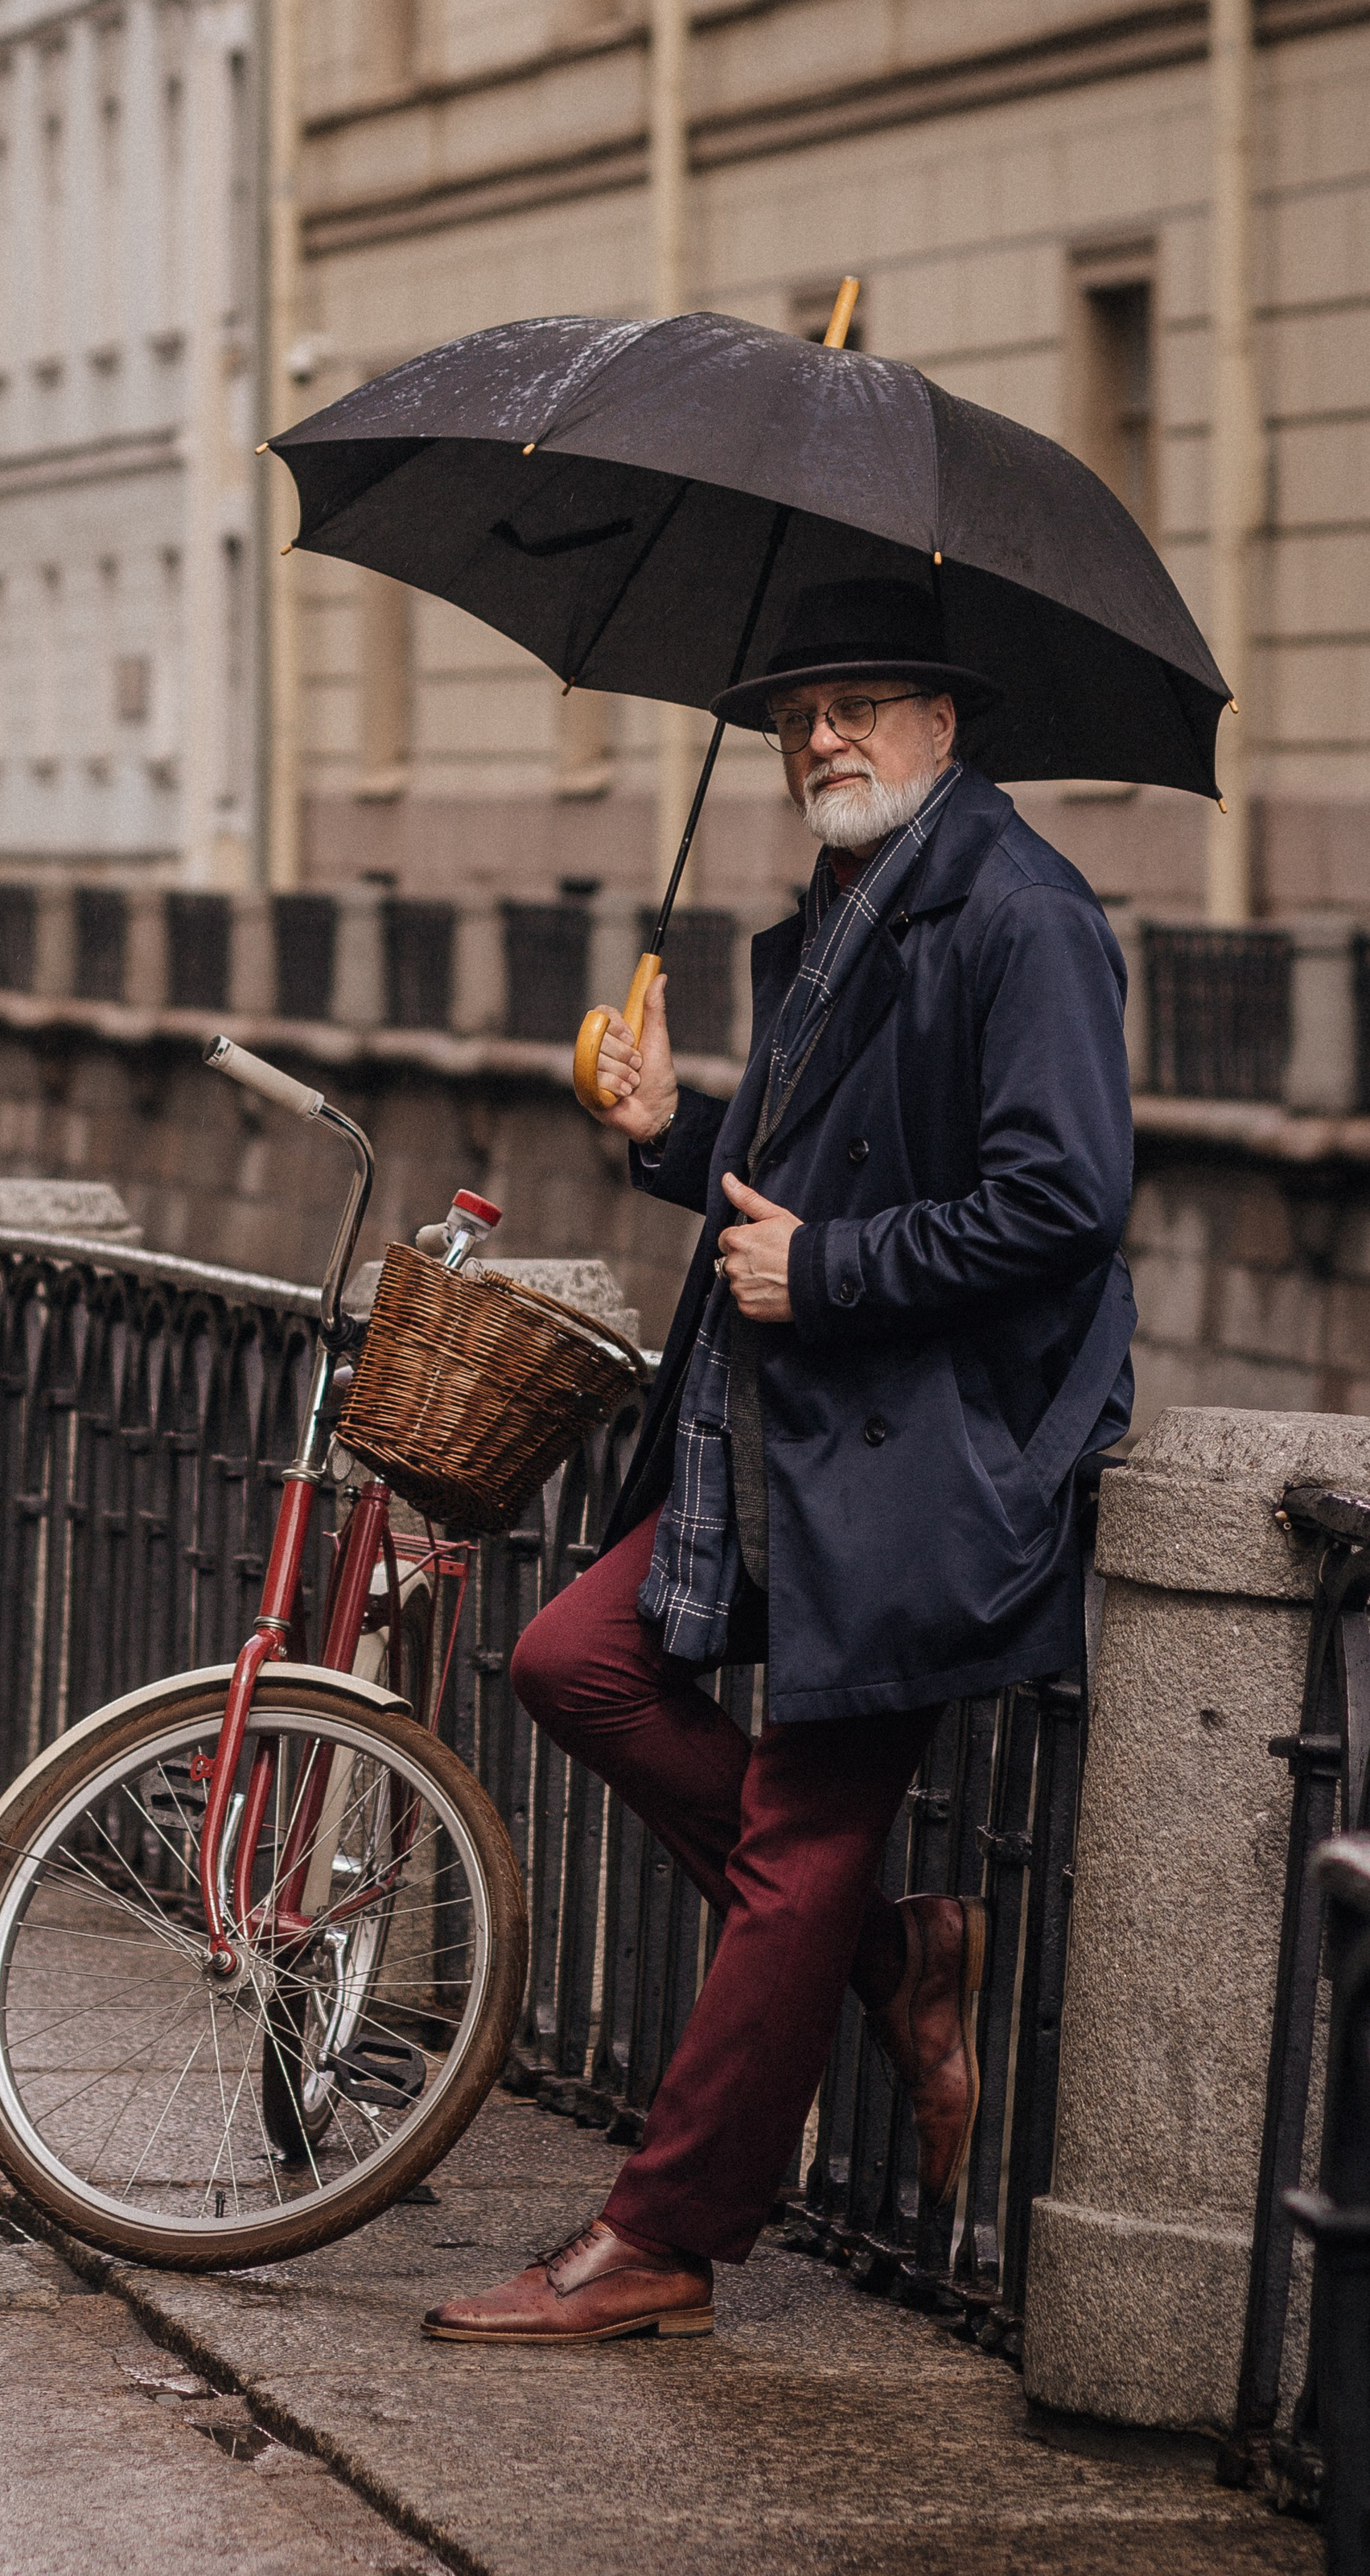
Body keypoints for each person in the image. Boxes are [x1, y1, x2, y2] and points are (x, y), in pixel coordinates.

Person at [424, 577, 1135, 2347]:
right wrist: (674, 1132)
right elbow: (802, 1171)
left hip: (933, 1453)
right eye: (795, 713)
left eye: (859, 705)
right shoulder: (843, 902)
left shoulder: (1021, 912)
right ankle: (897, 1956)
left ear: (943, 722)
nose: (821, 738)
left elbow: (1064, 1202)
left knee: (803, 1842)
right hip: (794, 1426)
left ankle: (665, 2235)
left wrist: (829, 1274)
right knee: (572, 1659)